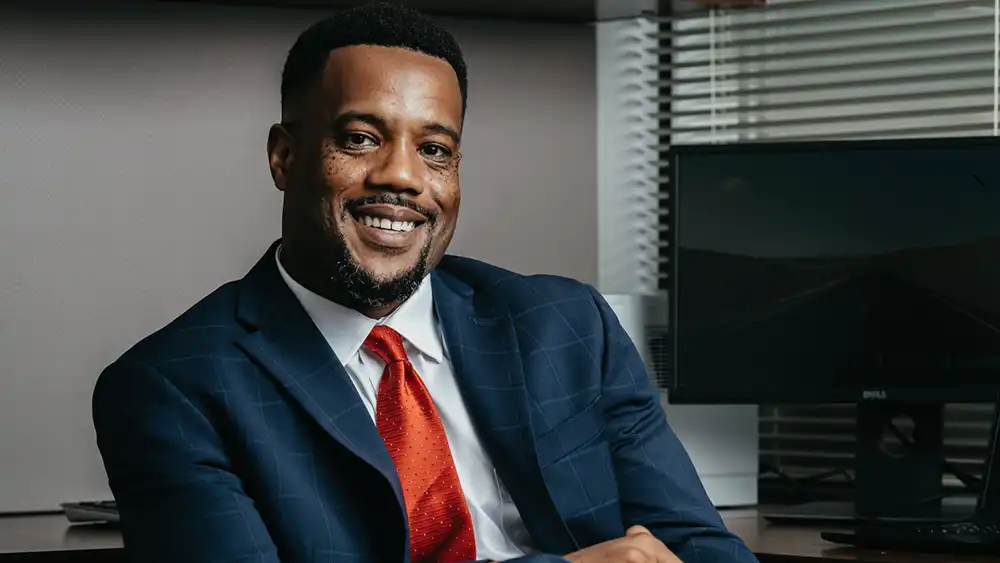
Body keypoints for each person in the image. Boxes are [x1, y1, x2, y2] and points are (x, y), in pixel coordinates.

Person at [92, 2, 759, 562]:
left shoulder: (568, 326)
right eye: (360, 138)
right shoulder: (172, 387)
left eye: (435, 150)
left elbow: (703, 548)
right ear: (284, 156)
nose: (403, 178)